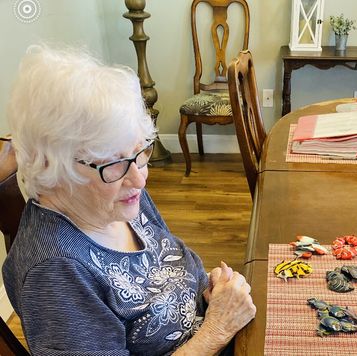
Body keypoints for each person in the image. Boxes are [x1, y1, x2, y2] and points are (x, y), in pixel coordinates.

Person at [2, 44, 256, 355]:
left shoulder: (117, 194)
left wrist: (212, 293)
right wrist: (218, 328)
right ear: (51, 168)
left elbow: (165, 268)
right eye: (114, 163)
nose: (140, 178)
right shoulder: (55, 274)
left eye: (140, 152)